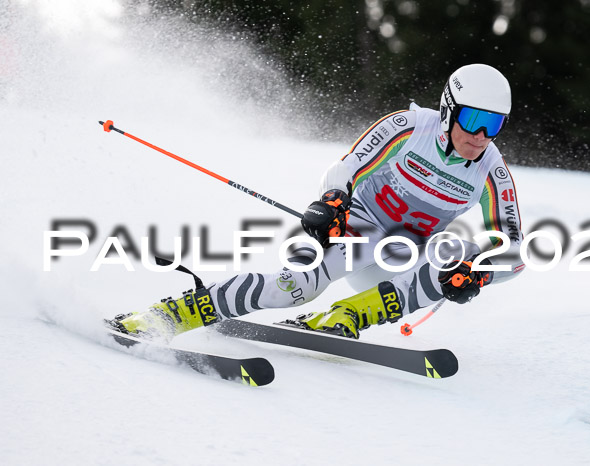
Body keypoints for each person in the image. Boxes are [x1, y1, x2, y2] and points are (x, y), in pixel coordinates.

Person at [108, 64, 525, 341]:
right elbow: (346, 168)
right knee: (297, 288)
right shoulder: (409, 126)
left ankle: (348, 315)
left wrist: (481, 273)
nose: (481, 136)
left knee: (464, 257)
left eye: (494, 125)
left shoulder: (491, 170)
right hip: (361, 229)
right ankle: (169, 315)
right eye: (474, 120)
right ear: (449, 111)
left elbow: (515, 251)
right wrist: (332, 202)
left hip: (405, 260)